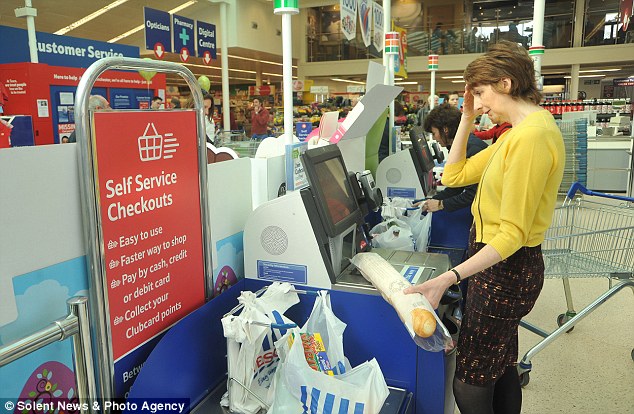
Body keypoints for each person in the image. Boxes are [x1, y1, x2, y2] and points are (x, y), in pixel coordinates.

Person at [404, 41, 565, 414]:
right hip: (495, 263)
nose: (480, 103)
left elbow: (511, 234)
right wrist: (466, 118)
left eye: (480, 93)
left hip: (504, 269)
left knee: (470, 379)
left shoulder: (532, 138)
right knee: (501, 364)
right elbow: (455, 174)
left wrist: (449, 278)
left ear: (505, 83)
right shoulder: (518, 132)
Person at [417, 104, 488, 213]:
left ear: (445, 129)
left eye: (434, 133)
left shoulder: (472, 149)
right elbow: (458, 185)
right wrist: (431, 201)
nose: (435, 138)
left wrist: (441, 204)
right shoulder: (461, 146)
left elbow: (472, 194)